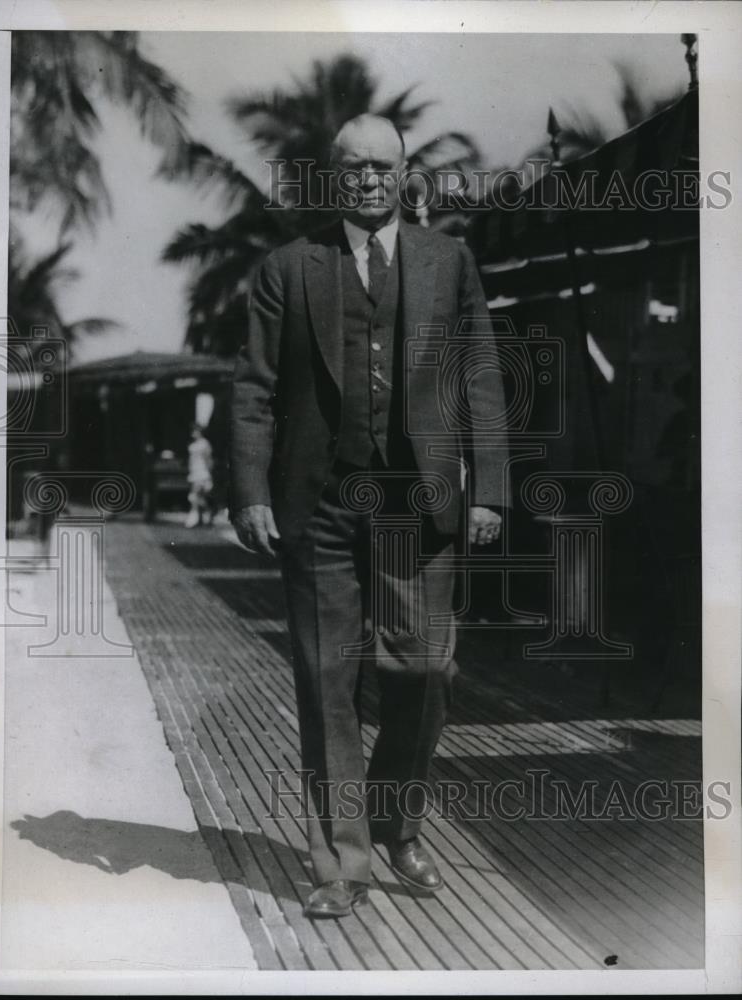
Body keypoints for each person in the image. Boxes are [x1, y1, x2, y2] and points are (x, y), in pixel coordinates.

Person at [230, 114, 509, 919]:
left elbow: (481, 372)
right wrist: (249, 490)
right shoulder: (290, 269)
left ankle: (395, 820)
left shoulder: (447, 261)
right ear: (333, 177)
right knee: (326, 682)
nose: (367, 180)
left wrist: (489, 485)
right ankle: (340, 862)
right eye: (352, 168)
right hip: (316, 504)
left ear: (405, 174)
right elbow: (252, 387)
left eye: (382, 168)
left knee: (423, 670)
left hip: (415, 503)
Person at [185, 423, 214, 528]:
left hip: (202, 472)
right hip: (194, 471)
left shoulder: (205, 444)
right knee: (197, 497)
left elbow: (209, 460)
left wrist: (209, 475)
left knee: (196, 496)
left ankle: (199, 517)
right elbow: (190, 460)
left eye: (195, 431)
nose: (193, 433)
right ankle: (202, 518)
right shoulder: (193, 444)